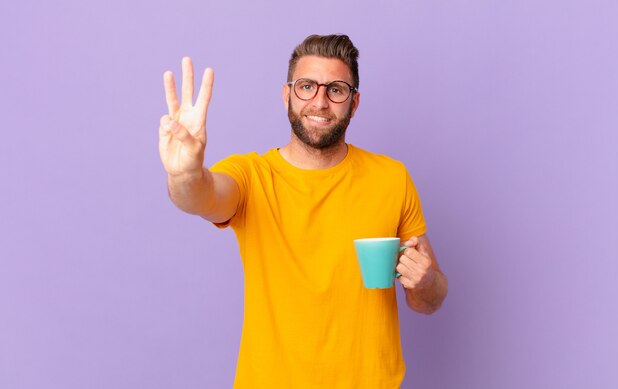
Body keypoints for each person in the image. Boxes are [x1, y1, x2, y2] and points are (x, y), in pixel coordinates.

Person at [158, 34, 448, 388]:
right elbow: (201, 197)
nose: (320, 102)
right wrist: (185, 173)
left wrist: (426, 281)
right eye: (307, 86)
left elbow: (429, 299)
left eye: (336, 89)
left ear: (354, 103)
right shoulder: (252, 176)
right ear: (287, 96)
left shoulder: (392, 178)